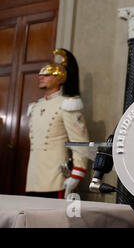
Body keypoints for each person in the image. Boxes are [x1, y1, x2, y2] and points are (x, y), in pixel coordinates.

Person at [26, 49, 90, 199]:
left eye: (47, 74)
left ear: (60, 78)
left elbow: (80, 141)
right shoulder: (35, 107)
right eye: (41, 74)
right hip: (33, 176)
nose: (41, 77)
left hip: (55, 176)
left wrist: (77, 173)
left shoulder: (68, 104)